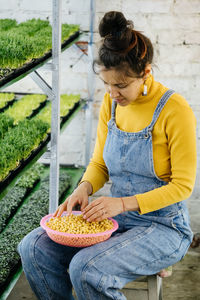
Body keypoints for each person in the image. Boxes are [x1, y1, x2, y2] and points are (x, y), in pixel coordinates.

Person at [18, 11, 197, 300]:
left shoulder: (175, 110)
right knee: (33, 248)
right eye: (107, 84)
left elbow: (182, 187)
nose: (113, 93)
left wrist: (123, 203)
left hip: (164, 226)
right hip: (116, 220)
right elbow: (100, 162)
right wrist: (84, 187)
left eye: (121, 85)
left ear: (146, 72)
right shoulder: (111, 104)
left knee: (86, 270)